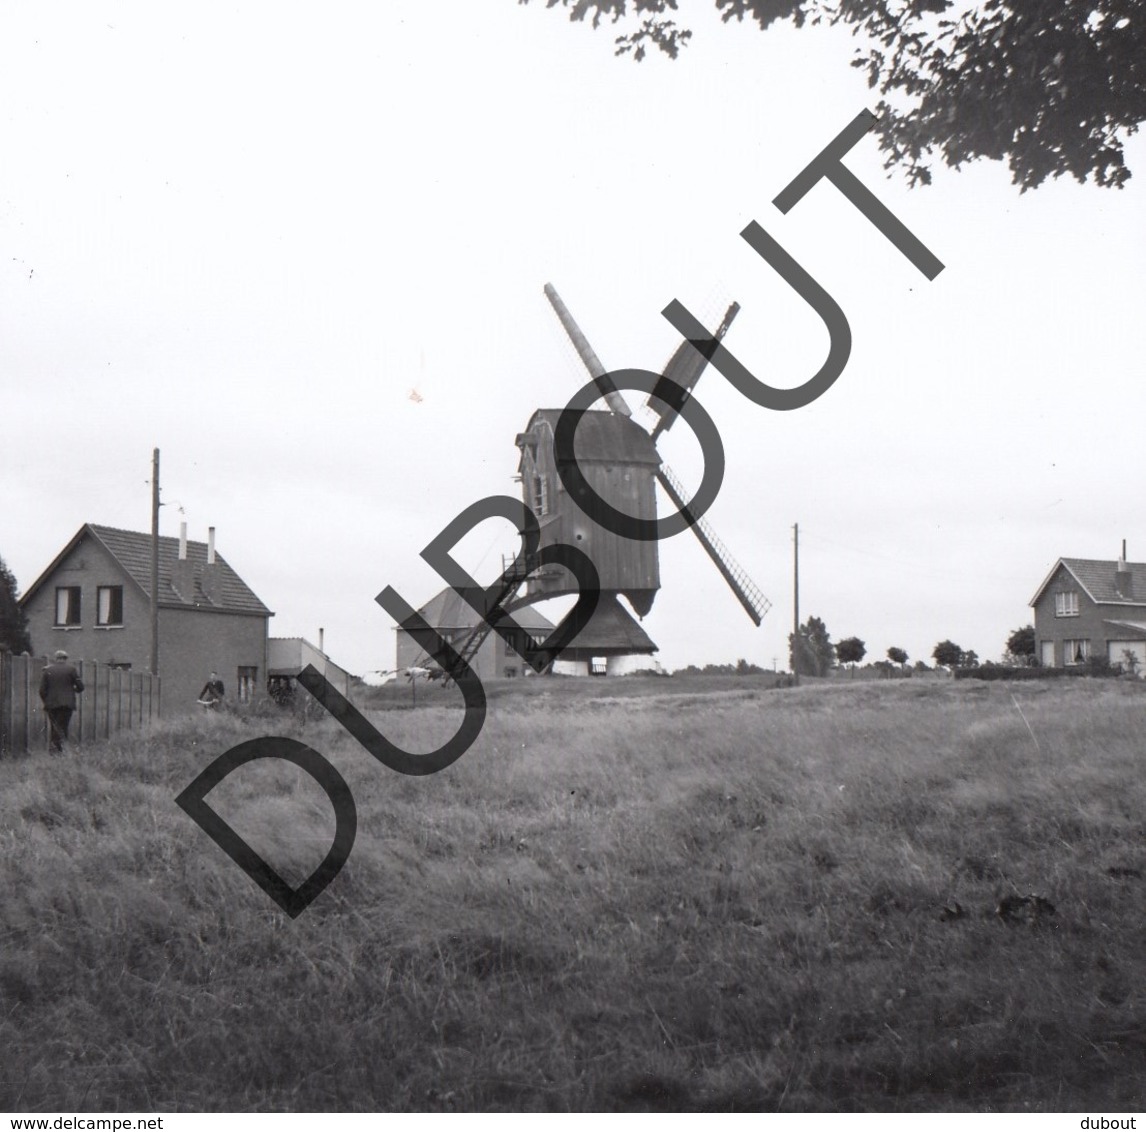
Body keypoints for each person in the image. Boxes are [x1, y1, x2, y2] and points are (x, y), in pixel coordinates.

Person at [39, 649, 84, 754]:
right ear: (65, 659)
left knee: (54, 727)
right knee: (63, 727)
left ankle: (55, 751)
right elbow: (81, 687)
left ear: (56, 659)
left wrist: (47, 701)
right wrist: (73, 690)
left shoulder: (48, 670)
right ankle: (59, 751)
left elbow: (41, 690)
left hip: (51, 705)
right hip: (66, 704)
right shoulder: (71, 670)